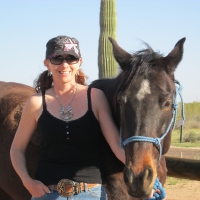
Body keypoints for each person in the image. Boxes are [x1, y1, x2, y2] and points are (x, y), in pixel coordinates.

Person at [10, 35, 165, 200]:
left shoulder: (95, 97)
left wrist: (145, 180)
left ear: (79, 62)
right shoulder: (35, 103)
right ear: (47, 64)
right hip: (47, 193)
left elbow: (116, 146)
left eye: (71, 58)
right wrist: (27, 181)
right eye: (57, 59)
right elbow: (16, 149)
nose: (64, 65)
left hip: (91, 194)